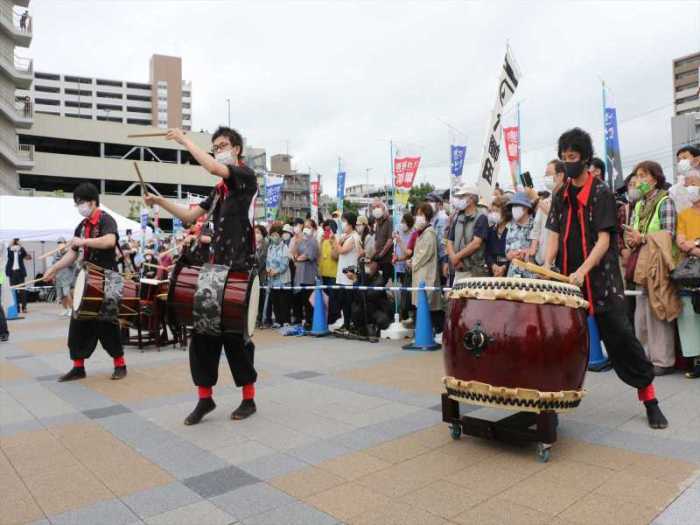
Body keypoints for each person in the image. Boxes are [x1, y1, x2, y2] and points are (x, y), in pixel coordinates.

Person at [544, 127, 667, 429]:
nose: (567, 162)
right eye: (563, 157)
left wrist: (582, 271)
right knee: (560, 344)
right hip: (568, 282)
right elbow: (553, 235)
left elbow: (603, 241)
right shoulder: (560, 195)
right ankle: (553, 406)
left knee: (623, 341)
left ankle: (650, 400)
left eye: (572, 157)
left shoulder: (602, 193)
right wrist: (548, 266)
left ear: (585, 158)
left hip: (601, 282)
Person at [144, 126, 258, 425]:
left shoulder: (245, 177)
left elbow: (210, 167)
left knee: (236, 337)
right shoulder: (219, 191)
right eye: (215, 146)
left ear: (236, 149)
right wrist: (159, 201)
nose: (218, 149)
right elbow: (189, 216)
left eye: (222, 145)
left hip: (237, 268)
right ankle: (205, 399)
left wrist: (183, 140)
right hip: (213, 270)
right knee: (203, 335)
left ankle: (248, 398)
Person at [44, 182, 127, 382]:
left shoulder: (106, 220)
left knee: (108, 323)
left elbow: (109, 241)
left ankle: (120, 365)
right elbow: (72, 254)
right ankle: (78, 367)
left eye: (80, 202)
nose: (79, 207)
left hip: (107, 279)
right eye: (77, 203)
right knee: (78, 323)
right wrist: (54, 269)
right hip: (88, 279)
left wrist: (84, 242)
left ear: (92, 202)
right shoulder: (81, 227)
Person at [624, 161, 678, 375]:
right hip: (641, 263)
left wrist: (643, 237)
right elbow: (634, 232)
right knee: (641, 313)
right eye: (637, 176)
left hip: (659, 264)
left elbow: (668, 234)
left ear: (655, 179)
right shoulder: (638, 204)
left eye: (643, 176)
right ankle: (644, 357)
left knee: (658, 311)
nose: (639, 180)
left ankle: (663, 361)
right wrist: (632, 239)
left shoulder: (665, 201)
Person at [674, 180, 700, 378]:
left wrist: (694, 244)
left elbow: (688, 242)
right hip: (691, 272)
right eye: (688, 184)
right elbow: (681, 242)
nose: (691, 187)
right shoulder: (683, 214)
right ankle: (696, 361)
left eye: (695, 183)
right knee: (689, 317)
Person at [446, 185, 489, 283]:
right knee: (455, 298)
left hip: (473, 271)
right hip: (458, 269)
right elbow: (449, 240)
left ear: (471, 199)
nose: (460, 200)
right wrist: (453, 258)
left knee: (470, 298)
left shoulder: (481, 218)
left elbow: (476, 243)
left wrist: (457, 257)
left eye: (462, 197)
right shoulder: (458, 217)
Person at [411, 203, 443, 335]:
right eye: (417, 214)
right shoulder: (422, 233)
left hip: (427, 274)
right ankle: (428, 331)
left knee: (429, 305)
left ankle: (438, 331)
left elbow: (424, 253)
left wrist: (412, 262)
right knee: (425, 305)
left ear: (427, 217)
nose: (418, 217)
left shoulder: (429, 233)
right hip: (421, 273)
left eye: (421, 215)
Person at [346, 253, 393, 337]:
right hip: (368, 309)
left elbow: (366, 296)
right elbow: (357, 296)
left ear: (377, 265)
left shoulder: (380, 280)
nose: (367, 266)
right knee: (352, 302)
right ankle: (356, 327)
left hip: (379, 311)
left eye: (370, 263)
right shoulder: (364, 276)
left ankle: (373, 328)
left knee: (368, 308)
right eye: (366, 264)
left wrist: (355, 281)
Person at [532, 160, 566, 265]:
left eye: (548, 174)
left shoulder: (568, 200)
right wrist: (533, 248)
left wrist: (536, 199)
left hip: (558, 262)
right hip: (541, 260)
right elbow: (536, 228)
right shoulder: (545, 201)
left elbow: (556, 217)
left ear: (560, 176)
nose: (546, 178)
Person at [332, 212, 361, 334]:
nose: (343, 224)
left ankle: (350, 325)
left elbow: (342, 250)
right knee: (343, 301)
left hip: (350, 274)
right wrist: (336, 242)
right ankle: (346, 323)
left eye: (344, 221)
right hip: (342, 273)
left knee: (349, 301)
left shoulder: (354, 237)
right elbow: (334, 253)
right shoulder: (345, 236)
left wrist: (335, 241)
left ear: (351, 223)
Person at [290, 220, 319, 329]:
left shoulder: (313, 241)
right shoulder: (301, 240)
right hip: (299, 274)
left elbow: (308, 256)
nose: (306, 228)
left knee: (308, 300)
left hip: (309, 274)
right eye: (305, 226)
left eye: (309, 227)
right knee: (300, 298)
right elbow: (294, 254)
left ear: (313, 228)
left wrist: (298, 258)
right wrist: (297, 242)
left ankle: (309, 321)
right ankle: (300, 320)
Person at [505, 192, 536, 278]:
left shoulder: (535, 225)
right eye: (513, 206)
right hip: (512, 276)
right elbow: (507, 252)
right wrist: (511, 255)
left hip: (530, 277)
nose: (514, 209)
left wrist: (526, 253)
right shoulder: (511, 226)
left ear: (525, 208)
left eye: (516, 206)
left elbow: (538, 252)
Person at [266, 225, 291, 326]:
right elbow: (267, 261)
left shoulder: (284, 247)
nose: (274, 237)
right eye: (272, 235)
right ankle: (277, 320)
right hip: (272, 279)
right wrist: (268, 270)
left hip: (283, 279)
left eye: (276, 235)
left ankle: (285, 320)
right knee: (275, 300)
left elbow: (285, 264)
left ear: (280, 236)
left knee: (283, 301)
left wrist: (276, 271)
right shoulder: (270, 247)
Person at [393, 213, 415, 320]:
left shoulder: (413, 234)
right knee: (399, 291)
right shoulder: (399, 232)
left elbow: (408, 253)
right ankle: (401, 314)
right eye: (402, 222)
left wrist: (399, 258)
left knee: (406, 293)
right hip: (397, 266)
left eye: (405, 222)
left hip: (407, 266)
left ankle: (406, 315)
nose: (403, 224)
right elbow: (395, 247)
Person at [319, 219, 340, 325]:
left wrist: (332, 243)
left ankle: (334, 318)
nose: (327, 232)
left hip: (333, 274)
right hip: (323, 273)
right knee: (325, 298)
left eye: (329, 230)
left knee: (333, 298)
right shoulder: (323, 240)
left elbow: (336, 256)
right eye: (325, 230)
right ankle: (327, 318)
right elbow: (318, 256)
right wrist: (321, 241)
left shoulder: (337, 239)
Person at [484, 197, 511, 276]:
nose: (494, 214)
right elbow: (487, 252)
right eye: (493, 211)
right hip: (493, 272)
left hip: (509, 272)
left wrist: (504, 267)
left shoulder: (513, 230)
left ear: (506, 212)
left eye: (497, 211)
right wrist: (493, 265)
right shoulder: (490, 230)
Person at [426, 192, 449, 282]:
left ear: (439, 204)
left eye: (431, 201)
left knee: (443, 283)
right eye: (427, 201)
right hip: (433, 257)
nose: (428, 203)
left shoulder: (443, 218)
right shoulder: (431, 218)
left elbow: (443, 240)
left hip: (442, 256)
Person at [669, 145, 700, 213]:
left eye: (684, 158)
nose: (681, 162)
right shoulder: (678, 184)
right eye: (679, 160)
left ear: (697, 160)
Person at [370, 200, 394, 285]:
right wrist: (372, 257)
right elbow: (376, 241)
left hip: (387, 259)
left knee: (385, 281)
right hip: (378, 259)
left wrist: (381, 255)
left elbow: (390, 240)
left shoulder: (390, 220)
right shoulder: (377, 223)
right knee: (377, 282)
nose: (376, 209)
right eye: (374, 207)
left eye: (378, 206)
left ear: (383, 208)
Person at [5, 238, 31, 313]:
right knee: (13, 291)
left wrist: (21, 246)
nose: (16, 242)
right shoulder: (9, 249)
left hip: (20, 272)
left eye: (17, 241)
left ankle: (24, 307)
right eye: (15, 240)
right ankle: (16, 307)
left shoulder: (21, 249)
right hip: (12, 272)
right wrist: (10, 245)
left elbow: (28, 258)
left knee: (22, 290)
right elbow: (7, 255)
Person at [51, 238, 75, 317]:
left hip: (67, 277)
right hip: (59, 277)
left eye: (61, 242)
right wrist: (53, 275)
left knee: (67, 293)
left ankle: (71, 309)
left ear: (65, 243)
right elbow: (53, 265)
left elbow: (73, 265)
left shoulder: (69, 253)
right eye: (58, 242)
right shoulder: (56, 254)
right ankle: (65, 309)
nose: (60, 244)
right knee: (61, 295)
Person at [254, 225, 272, 328]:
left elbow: (263, 261)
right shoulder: (253, 244)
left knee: (262, 299)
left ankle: (261, 319)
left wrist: (256, 268)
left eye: (258, 232)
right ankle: (256, 319)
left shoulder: (266, 245)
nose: (257, 235)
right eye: (255, 232)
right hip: (254, 276)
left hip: (262, 276)